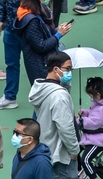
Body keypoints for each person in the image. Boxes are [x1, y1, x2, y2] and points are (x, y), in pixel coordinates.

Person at [28, 51, 79, 179]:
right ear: (56, 69)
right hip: (61, 157)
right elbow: (65, 127)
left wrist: (66, 86)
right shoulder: (59, 96)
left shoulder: (42, 89)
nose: (69, 72)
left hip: (46, 151)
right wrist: (74, 151)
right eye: (67, 69)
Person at [14, 0, 72, 85]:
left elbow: (43, 33)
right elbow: (40, 46)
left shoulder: (37, 9)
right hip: (40, 65)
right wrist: (59, 34)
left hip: (46, 61)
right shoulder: (31, 20)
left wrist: (57, 30)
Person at [77, 77, 103, 179]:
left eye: (91, 96)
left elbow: (94, 122)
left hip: (99, 139)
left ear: (98, 95)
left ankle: (92, 176)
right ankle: (81, 170)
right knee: (74, 149)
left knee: (85, 160)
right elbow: (94, 116)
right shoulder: (101, 103)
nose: (90, 98)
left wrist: (79, 121)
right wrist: (85, 113)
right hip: (95, 134)